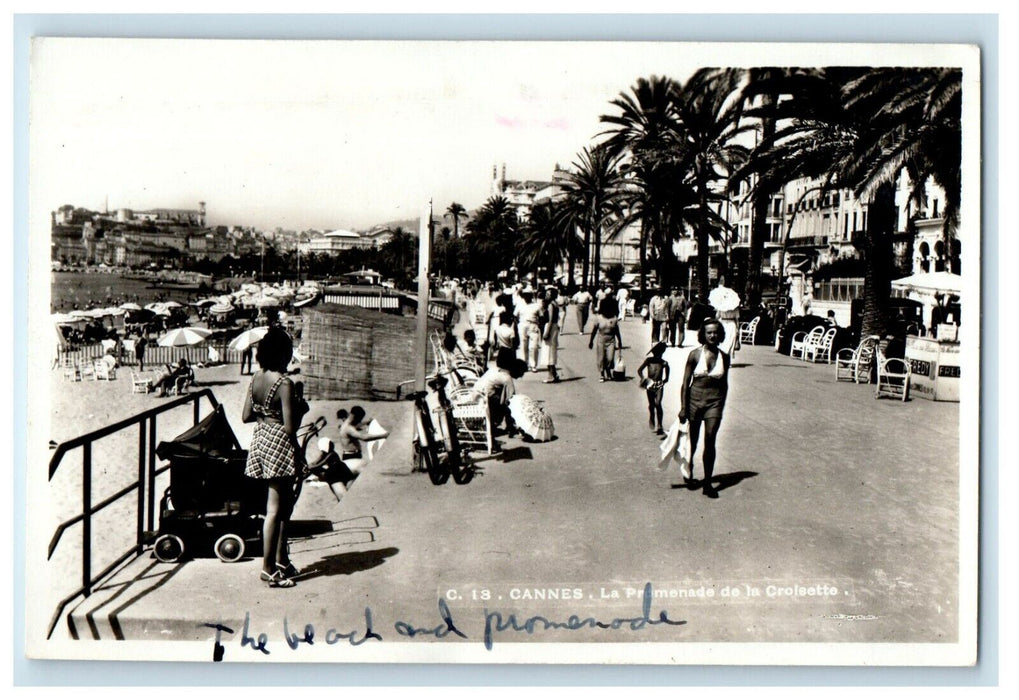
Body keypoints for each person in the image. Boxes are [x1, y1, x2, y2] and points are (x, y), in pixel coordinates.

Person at [241, 327, 305, 588]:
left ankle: (281, 560)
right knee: (276, 510)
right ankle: (268, 568)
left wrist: (266, 415)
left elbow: (246, 416)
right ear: (284, 354)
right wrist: (299, 407)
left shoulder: (256, 378)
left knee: (283, 506)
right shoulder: (285, 384)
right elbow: (291, 427)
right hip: (280, 442)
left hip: (261, 440)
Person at [678, 319, 730, 499]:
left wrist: (721, 405)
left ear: (720, 334)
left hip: (714, 403)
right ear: (703, 335)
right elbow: (685, 382)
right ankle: (689, 466)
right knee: (693, 439)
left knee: (710, 438)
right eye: (709, 332)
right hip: (694, 401)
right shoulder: (694, 355)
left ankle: (708, 483)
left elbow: (724, 384)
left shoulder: (725, 357)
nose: (713, 336)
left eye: (716, 332)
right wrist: (683, 407)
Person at [472, 356, 527, 437]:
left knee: (501, 399)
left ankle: (496, 425)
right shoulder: (507, 379)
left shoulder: (496, 369)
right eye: (521, 373)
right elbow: (512, 401)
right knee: (506, 405)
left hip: (475, 394)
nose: (521, 376)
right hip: (483, 400)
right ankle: (504, 426)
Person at [337, 406, 390, 475]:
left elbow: (357, 425)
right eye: (359, 419)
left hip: (351, 454)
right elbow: (364, 437)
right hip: (351, 456)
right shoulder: (348, 428)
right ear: (355, 416)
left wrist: (368, 421)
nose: (360, 421)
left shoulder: (348, 424)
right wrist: (383, 435)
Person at [306, 437, 358, 502]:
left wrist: (310, 466)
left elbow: (320, 463)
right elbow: (316, 461)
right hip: (335, 470)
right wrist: (310, 465)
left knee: (346, 489)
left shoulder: (331, 454)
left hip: (340, 470)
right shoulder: (324, 453)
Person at [638, 341, 670, 435]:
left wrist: (665, 379)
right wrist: (643, 378)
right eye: (656, 352)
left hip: (659, 384)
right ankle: (652, 416)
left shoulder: (664, 362)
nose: (658, 354)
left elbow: (668, 369)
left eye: (660, 352)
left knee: (658, 403)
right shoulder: (648, 361)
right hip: (650, 384)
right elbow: (639, 370)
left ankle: (660, 424)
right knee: (652, 404)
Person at [589, 313, 623, 383]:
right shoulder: (598, 318)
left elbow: (617, 331)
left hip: (611, 341)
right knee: (601, 358)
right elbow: (594, 330)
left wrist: (620, 341)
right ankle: (602, 374)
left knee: (610, 358)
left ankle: (608, 371)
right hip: (601, 340)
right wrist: (591, 341)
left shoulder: (614, 318)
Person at [518, 291, 544, 373]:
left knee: (534, 347)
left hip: (533, 325)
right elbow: (515, 316)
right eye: (525, 297)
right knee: (523, 346)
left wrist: (540, 328)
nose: (526, 298)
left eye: (528, 296)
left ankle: (533, 365)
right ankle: (524, 364)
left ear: (531, 297)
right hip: (523, 325)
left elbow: (542, 317)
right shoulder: (520, 305)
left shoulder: (537, 306)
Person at [542, 288, 561, 383]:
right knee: (551, 351)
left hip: (550, 327)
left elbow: (550, 319)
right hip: (554, 327)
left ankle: (550, 375)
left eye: (548, 294)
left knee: (548, 352)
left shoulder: (551, 305)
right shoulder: (555, 304)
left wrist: (547, 332)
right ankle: (554, 374)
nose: (546, 296)